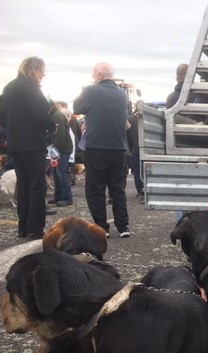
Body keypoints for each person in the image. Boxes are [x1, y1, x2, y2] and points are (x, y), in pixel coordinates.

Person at [0, 57, 57, 239]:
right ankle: (34, 228)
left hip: (16, 143)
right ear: (34, 70)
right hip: (33, 143)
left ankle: (23, 227)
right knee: (37, 185)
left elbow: (2, 118)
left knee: (23, 185)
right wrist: (51, 127)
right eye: (41, 70)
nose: (43, 74)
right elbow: (43, 114)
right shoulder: (31, 88)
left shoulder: (8, 87)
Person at [74, 62, 131, 237]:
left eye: (93, 75)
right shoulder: (123, 94)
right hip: (118, 148)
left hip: (96, 147)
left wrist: (89, 88)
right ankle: (123, 227)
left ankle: (101, 227)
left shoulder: (91, 91)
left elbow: (76, 108)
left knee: (95, 189)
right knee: (117, 189)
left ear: (99, 75)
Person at [47, 102, 74, 207]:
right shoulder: (55, 115)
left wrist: (55, 151)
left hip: (62, 149)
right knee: (56, 172)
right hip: (60, 149)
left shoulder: (57, 116)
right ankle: (58, 196)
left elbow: (59, 135)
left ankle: (67, 198)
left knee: (61, 173)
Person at [126, 106, 144, 203]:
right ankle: (146, 190)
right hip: (146, 149)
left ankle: (139, 190)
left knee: (137, 171)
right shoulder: (148, 117)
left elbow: (128, 134)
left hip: (135, 149)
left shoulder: (130, 118)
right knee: (146, 171)